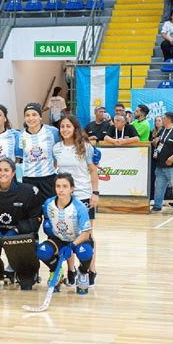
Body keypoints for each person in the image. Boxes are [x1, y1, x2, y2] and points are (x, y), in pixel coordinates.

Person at [0, 158, 43, 289]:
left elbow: (35, 219)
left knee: (27, 284)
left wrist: (16, 230)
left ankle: (23, 269)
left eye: (6, 170)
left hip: (18, 234)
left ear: (13, 173)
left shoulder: (28, 192)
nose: (2, 173)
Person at [53, 115, 99, 287]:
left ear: (75, 128)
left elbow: (93, 171)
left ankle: (90, 269)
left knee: (87, 235)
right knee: (67, 234)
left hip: (84, 195)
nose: (65, 129)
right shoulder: (56, 148)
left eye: (68, 126)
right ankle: (71, 270)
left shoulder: (85, 147)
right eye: (62, 126)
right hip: (65, 197)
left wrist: (95, 193)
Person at [37, 173, 94, 294]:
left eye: (65, 186)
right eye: (58, 186)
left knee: (85, 251)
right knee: (42, 250)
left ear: (72, 188)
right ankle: (56, 271)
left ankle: (83, 273)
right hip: (59, 238)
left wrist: (72, 246)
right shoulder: (48, 204)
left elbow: (86, 234)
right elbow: (47, 220)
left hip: (78, 239)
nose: (61, 190)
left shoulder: (80, 207)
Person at [19, 102, 59, 204]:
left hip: (48, 178)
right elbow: (19, 159)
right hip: (28, 180)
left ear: (40, 117)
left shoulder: (53, 132)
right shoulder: (20, 135)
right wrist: (19, 180)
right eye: (27, 115)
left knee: (50, 210)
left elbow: (59, 152)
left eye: (34, 114)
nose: (30, 118)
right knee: (31, 212)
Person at [151, 112, 173, 214]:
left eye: (163, 118)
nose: (162, 119)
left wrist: (172, 157)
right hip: (160, 165)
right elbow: (161, 144)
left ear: (168, 120)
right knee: (158, 186)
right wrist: (155, 143)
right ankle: (157, 206)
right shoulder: (163, 130)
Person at [149, 115, 164, 204]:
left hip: (160, 157)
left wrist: (155, 142)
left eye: (159, 120)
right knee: (152, 177)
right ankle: (152, 197)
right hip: (152, 157)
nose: (157, 122)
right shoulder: (152, 132)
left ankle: (159, 198)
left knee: (160, 178)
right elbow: (150, 142)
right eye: (156, 121)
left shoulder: (164, 132)